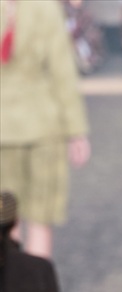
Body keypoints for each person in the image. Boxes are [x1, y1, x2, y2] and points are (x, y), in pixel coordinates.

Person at [0, 0, 90, 259]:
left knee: (6, 220)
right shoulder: (45, 6)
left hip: (4, 128)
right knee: (40, 219)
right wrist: (76, 130)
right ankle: (35, 283)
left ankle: (10, 283)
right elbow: (62, 71)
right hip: (43, 123)